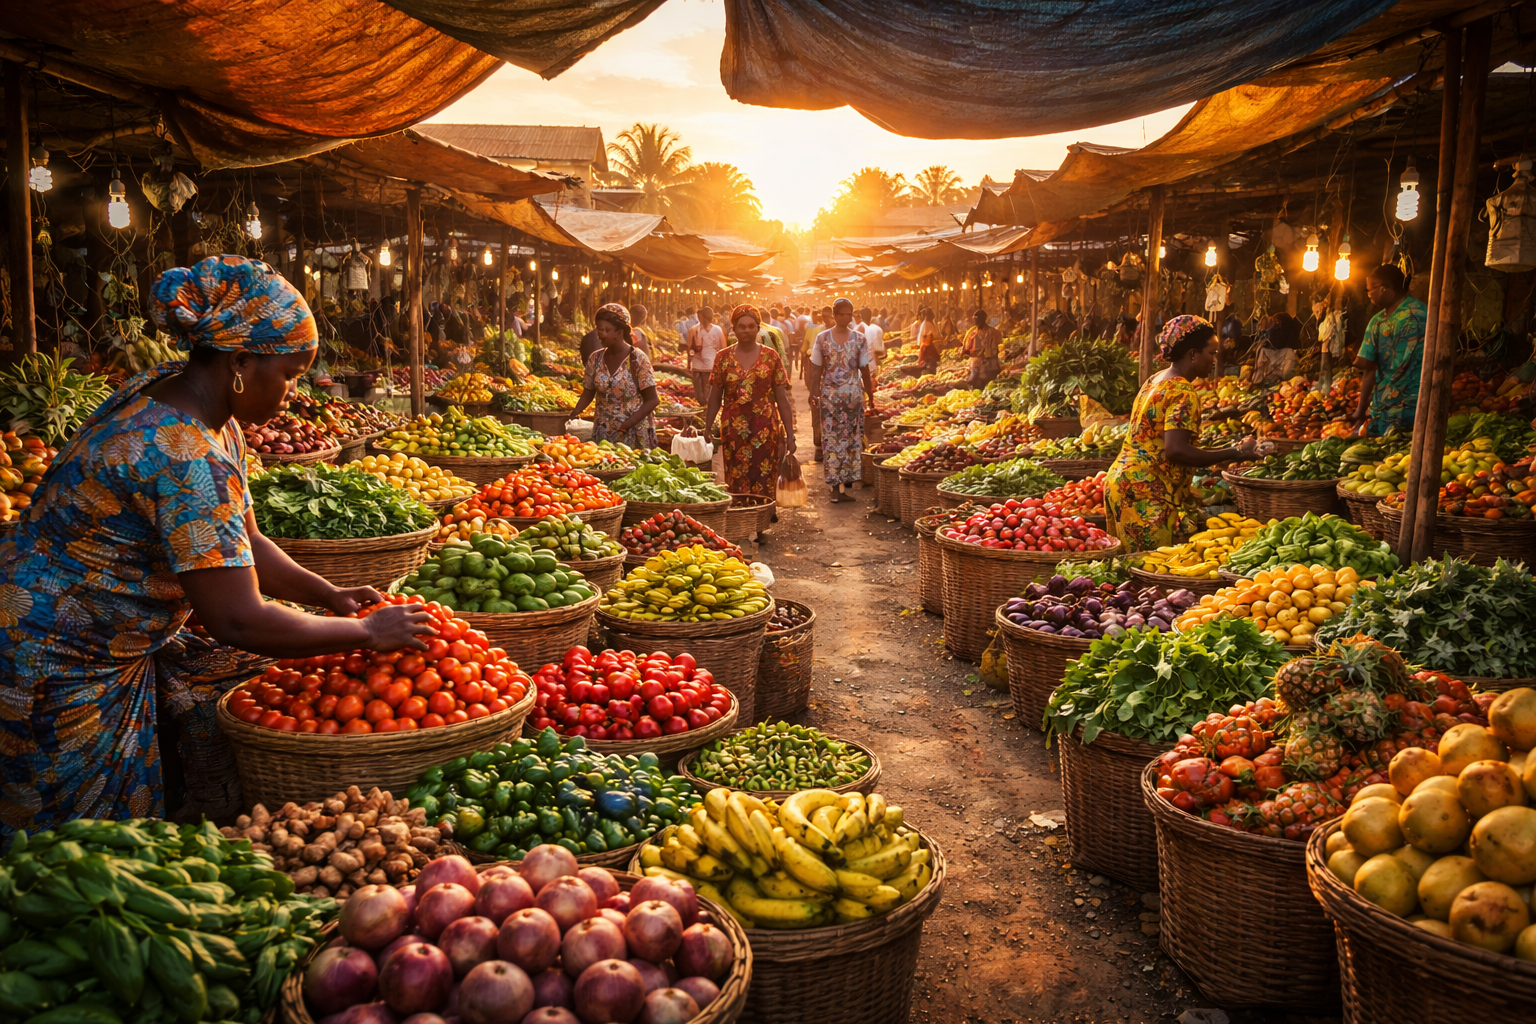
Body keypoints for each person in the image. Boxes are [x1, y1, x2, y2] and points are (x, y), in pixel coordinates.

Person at [0, 255, 435, 834]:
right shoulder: (185, 456)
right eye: (291, 374)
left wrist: (327, 593)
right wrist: (366, 633)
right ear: (240, 362)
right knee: (70, 851)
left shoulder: (194, 407)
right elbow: (239, 619)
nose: (293, 391)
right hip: (53, 651)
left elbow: (245, 540)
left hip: (85, 630)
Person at [1104, 315, 1260, 552]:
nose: (1215, 359)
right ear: (1193, 354)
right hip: (1145, 491)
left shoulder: (1154, 381)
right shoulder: (1183, 392)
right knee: (1149, 571)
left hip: (1122, 483)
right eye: (1211, 352)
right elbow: (1176, 450)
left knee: (1128, 571)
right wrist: (1236, 452)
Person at [703, 304, 796, 500]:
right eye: (742, 326)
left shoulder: (771, 357)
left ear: (758, 327)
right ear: (733, 329)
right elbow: (714, 397)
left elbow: (782, 398)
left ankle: (763, 516)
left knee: (765, 476)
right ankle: (743, 517)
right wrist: (708, 425)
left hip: (765, 430)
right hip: (733, 432)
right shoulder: (723, 358)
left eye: (751, 326)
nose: (746, 330)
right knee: (736, 480)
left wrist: (790, 434)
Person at [807, 298, 876, 503]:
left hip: (853, 398)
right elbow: (816, 369)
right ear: (835, 315)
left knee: (851, 440)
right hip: (830, 399)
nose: (847, 317)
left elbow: (864, 370)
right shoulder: (822, 339)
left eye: (849, 313)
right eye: (843, 313)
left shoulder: (859, 339)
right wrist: (813, 393)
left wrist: (870, 395)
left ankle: (845, 483)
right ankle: (835, 487)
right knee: (832, 440)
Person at [1352, 264, 1427, 435]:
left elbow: (1366, 365)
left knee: (1387, 457)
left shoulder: (1380, 322)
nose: (1369, 294)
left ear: (1384, 289)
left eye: (1370, 289)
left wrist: (1360, 410)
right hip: (1422, 405)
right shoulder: (1425, 312)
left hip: (1389, 407)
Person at [573, 302, 659, 449]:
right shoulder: (595, 359)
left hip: (634, 433)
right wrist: (573, 414)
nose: (601, 334)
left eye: (607, 330)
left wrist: (628, 424)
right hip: (603, 434)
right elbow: (588, 393)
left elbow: (652, 400)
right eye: (599, 329)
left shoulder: (638, 359)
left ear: (620, 332)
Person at [686, 306, 725, 405]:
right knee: (699, 393)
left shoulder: (717, 330)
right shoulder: (693, 330)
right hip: (697, 365)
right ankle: (703, 407)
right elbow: (689, 348)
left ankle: (707, 409)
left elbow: (723, 348)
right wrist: (689, 362)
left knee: (708, 391)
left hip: (711, 365)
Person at [1252, 313, 1301, 385]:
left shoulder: (1289, 352)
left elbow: (1286, 376)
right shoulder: (1264, 348)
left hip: (1281, 388)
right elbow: (1257, 378)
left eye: (1274, 323)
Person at [961, 307, 1001, 387]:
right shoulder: (973, 332)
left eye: (977, 319)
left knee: (985, 383)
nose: (975, 321)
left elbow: (994, 350)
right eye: (974, 319)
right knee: (973, 383)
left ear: (983, 319)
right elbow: (968, 349)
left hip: (990, 366)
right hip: (976, 366)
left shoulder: (993, 332)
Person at [858, 306, 885, 376]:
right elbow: (878, 352)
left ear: (861, 317)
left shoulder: (856, 330)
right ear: (871, 316)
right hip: (871, 367)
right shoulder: (875, 329)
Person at [915, 307, 940, 375]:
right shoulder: (927, 324)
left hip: (926, 346)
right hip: (927, 347)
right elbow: (933, 335)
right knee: (928, 363)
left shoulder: (925, 323)